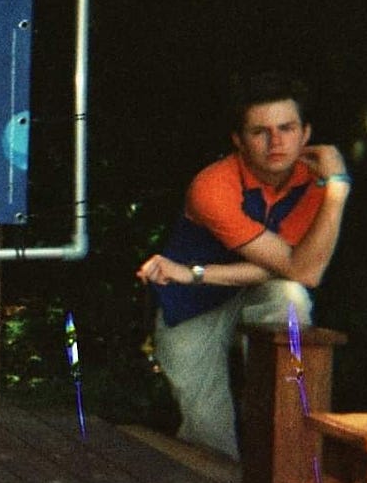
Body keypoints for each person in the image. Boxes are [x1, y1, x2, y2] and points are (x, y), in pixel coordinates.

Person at [136, 71, 350, 459]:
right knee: (206, 428)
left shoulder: (316, 184)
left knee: (291, 297)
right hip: (192, 302)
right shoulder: (213, 185)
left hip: (223, 284)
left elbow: (305, 273)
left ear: (306, 135)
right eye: (260, 131)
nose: (276, 142)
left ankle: (287, 470)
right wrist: (194, 278)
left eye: (286, 128)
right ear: (238, 140)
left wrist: (335, 188)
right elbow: (299, 264)